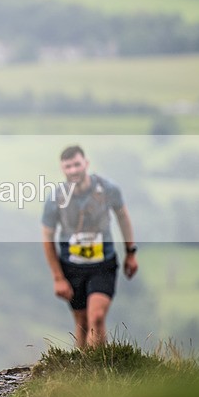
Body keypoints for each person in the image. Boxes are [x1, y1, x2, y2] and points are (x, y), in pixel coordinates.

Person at [41, 145, 139, 348]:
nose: (73, 170)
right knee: (82, 323)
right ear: (63, 170)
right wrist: (58, 278)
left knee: (97, 317)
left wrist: (131, 252)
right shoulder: (55, 199)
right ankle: (83, 374)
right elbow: (47, 238)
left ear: (86, 163)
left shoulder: (108, 189)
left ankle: (98, 370)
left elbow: (123, 217)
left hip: (103, 264)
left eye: (77, 164)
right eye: (68, 167)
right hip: (72, 267)